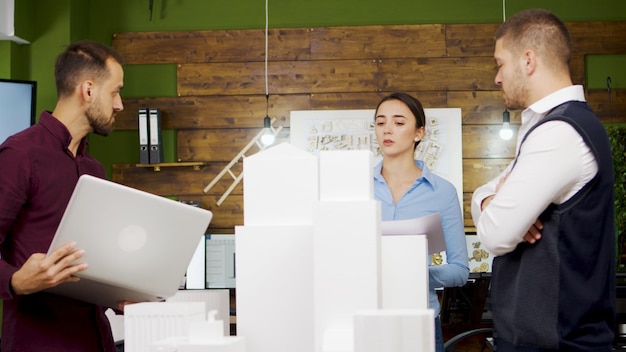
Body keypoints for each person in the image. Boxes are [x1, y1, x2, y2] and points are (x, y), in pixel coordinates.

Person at [471, 9, 615, 352]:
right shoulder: (550, 127)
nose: (497, 77)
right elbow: (486, 195)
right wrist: (490, 201)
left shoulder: (559, 133)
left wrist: (496, 211)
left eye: (500, 63)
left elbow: (494, 234)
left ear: (528, 60)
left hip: (559, 343)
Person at [0, 39, 124, 351]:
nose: (119, 104)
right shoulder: (20, 155)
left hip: (97, 340)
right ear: (88, 90)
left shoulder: (93, 170)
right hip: (39, 342)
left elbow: (91, 261)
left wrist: (121, 293)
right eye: (115, 91)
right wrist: (15, 280)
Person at [373, 92, 470, 352]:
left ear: (419, 133)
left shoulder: (442, 192)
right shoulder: (355, 187)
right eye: (380, 122)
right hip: (364, 318)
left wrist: (414, 274)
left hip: (421, 323)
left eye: (399, 122)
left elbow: (460, 270)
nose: (387, 130)